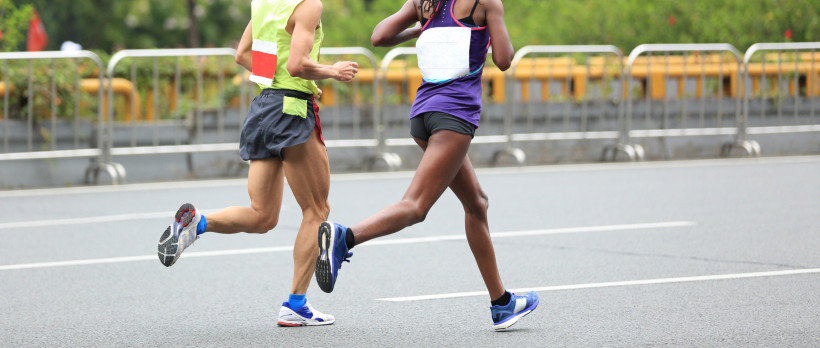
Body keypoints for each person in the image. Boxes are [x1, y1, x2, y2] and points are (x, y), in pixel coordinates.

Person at [314, 0, 538, 331]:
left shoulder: (424, 2)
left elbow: (379, 36)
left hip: (423, 115)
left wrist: (420, 28)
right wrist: (492, 27)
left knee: (477, 204)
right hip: (455, 116)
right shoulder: (486, 3)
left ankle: (502, 303)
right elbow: (504, 61)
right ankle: (345, 237)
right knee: (416, 207)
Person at [157, 0, 358, 327]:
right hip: (292, 111)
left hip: (264, 107)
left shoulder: (263, 3)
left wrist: (294, 82)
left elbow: (243, 55)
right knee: (317, 211)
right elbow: (297, 64)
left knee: (262, 215)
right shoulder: (309, 6)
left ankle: (197, 223)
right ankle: (295, 304)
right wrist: (331, 71)